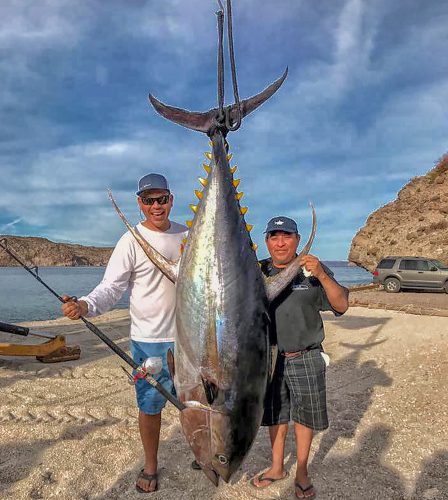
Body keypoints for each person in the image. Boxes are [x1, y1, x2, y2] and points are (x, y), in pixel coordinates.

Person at [62, 173, 187, 493]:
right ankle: (151, 464)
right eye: (149, 200)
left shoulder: (188, 235)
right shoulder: (130, 241)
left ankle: (204, 452)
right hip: (149, 341)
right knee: (150, 405)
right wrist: (86, 305)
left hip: (191, 339)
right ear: (140, 204)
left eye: (161, 199)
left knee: (198, 401)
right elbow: (111, 287)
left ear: (171, 200)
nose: (156, 206)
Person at [251, 216, 349, 499]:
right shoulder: (256, 271)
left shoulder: (311, 270)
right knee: (275, 415)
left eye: (287, 236)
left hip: (305, 355)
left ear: (297, 239)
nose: (280, 242)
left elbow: (342, 304)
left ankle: (302, 472)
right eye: (274, 236)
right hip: (268, 359)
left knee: (305, 416)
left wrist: (322, 275)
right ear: (266, 241)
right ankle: (276, 467)